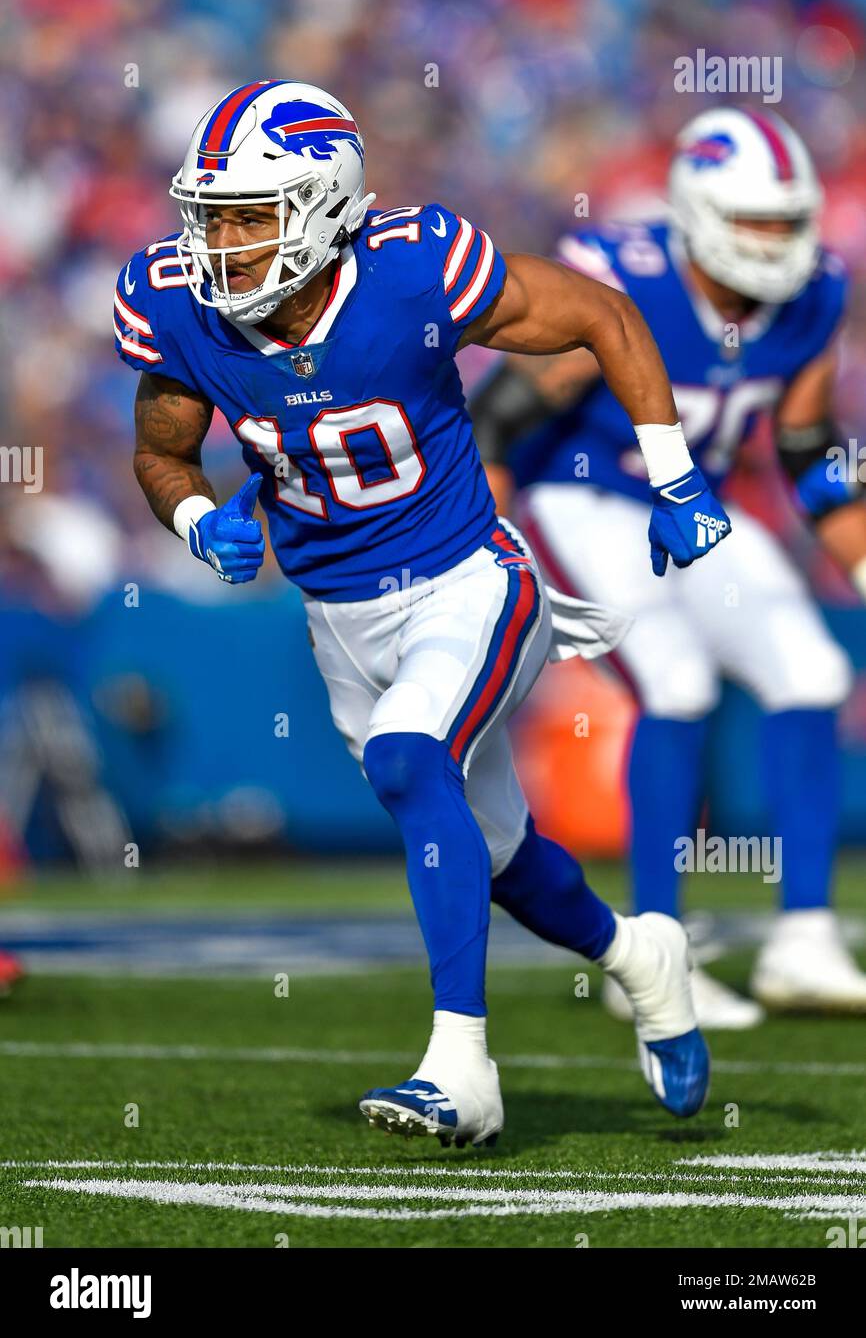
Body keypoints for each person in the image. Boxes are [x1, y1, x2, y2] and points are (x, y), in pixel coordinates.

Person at [114, 80, 732, 1144]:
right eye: (211, 215)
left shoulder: (413, 267)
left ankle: (461, 1069)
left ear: (326, 203)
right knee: (493, 855)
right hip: (335, 613)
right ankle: (639, 954)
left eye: (252, 215)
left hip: (467, 575)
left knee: (408, 757)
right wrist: (194, 521)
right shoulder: (173, 301)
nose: (222, 241)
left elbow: (601, 316)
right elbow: (165, 453)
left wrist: (675, 478)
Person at [472, 107, 866, 1029]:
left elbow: (809, 446)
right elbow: (497, 425)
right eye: (754, 223)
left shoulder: (814, 293)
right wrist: (474, 561)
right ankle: (656, 950)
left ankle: (803, 937)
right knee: (677, 682)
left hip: (698, 508)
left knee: (813, 672)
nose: (776, 244)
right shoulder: (627, 283)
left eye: (786, 222)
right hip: (585, 498)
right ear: (696, 214)